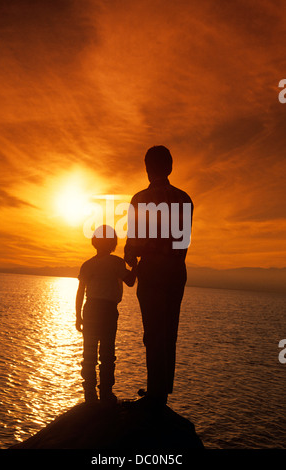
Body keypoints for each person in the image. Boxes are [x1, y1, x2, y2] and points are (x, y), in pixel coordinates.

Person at [124, 146, 194, 408]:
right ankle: (162, 391)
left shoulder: (140, 199)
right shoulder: (185, 199)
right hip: (176, 270)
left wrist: (131, 256)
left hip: (152, 269)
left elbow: (136, 240)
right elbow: (183, 241)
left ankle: (155, 394)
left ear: (147, 167)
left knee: (153, 331)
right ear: (170, 167)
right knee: (168, 330)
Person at [76, 225, 137, 404]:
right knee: (107, 353)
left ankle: (89, 393)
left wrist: (78, 316)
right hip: (108, 310)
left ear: (95, 242)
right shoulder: (116, 262)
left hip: (90, 308)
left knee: (89, 353)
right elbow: (131, 282)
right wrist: (136, 266)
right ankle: (106, 393)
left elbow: (80, 292)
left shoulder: (87, 264)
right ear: (112, 243)